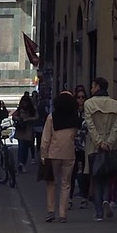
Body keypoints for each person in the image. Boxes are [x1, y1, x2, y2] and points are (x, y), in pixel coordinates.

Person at [83, 77, 117, 220]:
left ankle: (99, 212)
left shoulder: (89, 104)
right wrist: (109, 142)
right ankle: (106, 200)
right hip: (109, 145)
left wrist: (99, 142)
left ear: (98, 87)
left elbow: (90, 125)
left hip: (94, 145)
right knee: (107, 175)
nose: (91, 89)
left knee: (96, 178)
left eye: (93, 86)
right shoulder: (115, 105)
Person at [40, 88, 80, 223]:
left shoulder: (52, 117)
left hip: (53, 154)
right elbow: (75, 136)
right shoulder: (75, 119)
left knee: (51, 182)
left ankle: (51, 211)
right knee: (66, 184)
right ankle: (63, 214)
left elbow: (46, 139)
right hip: (69, 154)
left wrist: (43, 155)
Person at [13, 90, 38, 171]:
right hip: (21, 129)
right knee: (21, 147)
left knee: (26, 148)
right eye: (23, 102)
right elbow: (14, 116)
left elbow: (37, 117)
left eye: (26, 102)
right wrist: (19, 118)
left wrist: (28, 119)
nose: (25, 104)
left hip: (28, 130)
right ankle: (20, 163)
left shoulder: (32, 109)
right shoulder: (19, 109)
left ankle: (23, 163)